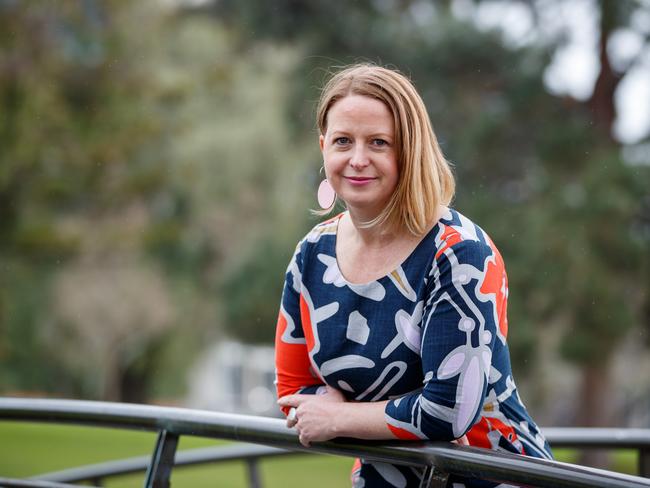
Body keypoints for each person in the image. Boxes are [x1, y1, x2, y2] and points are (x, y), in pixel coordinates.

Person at [274, 63, 553, 488]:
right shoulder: (312, 252)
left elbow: (450, 409)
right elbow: (293, 385)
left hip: (491, 478)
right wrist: (324, 411)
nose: (358, 159)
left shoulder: (459, 253)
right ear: (323, 147)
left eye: (379, 142)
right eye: (343, 141)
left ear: (410, 151)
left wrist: (340, 417)